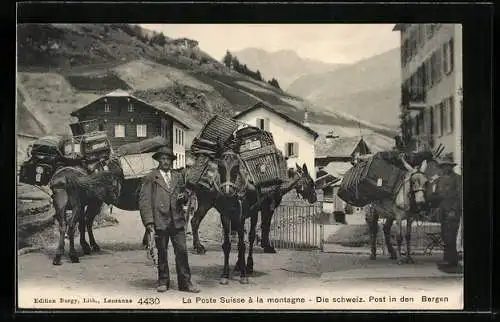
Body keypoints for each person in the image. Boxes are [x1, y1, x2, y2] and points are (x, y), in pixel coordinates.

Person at [138, 146, 200, 293]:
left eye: (168, 159)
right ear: (158, 160)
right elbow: (144, 201)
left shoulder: (178, 177)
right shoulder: (151, 177)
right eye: (163, 159)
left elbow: (184, 195)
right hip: (160, 220)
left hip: (177, 220)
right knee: (162, 252)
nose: (166, 162)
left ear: (172, 161)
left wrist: (183, 197)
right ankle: (163, 281)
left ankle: (185, 283)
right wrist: (149, 222)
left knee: (182, 251)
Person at [429, 153, 462, 274]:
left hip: (453, 211)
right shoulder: (439, 179)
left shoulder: (458, 178)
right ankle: (447, 259)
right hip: (442, 211)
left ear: (451, 166)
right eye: (443, 166)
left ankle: (453, 261)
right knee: (444, 236)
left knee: (451, 236)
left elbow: (460, 196)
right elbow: (435, 196)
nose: (444, 168)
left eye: (446, 166)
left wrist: (455, 210)